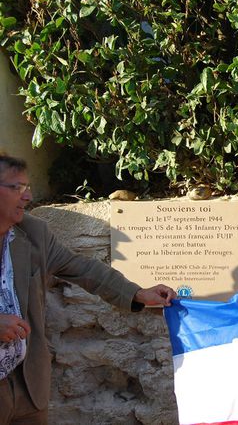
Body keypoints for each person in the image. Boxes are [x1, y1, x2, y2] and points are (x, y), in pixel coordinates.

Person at [0, 154, 178, 424]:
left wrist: (137, 293)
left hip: (26, 386)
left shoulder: (33, 233)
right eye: (17, 188)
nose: (28, 196)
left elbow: (81, 267)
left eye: (28, 187)